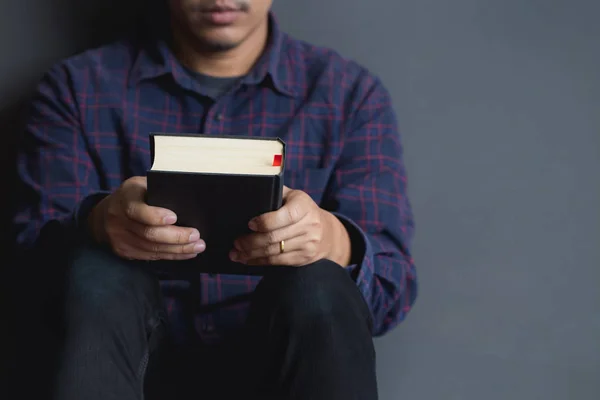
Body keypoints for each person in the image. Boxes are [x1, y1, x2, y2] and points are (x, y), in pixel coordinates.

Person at [13, 0, 417, 399]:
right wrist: (99, 223)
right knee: (96, 267)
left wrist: (330, 239)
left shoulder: (348, 95)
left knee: (321, 281)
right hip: (128, 362)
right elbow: (30, 272)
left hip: (284, 368)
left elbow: (390, 291)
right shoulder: (77, 89)